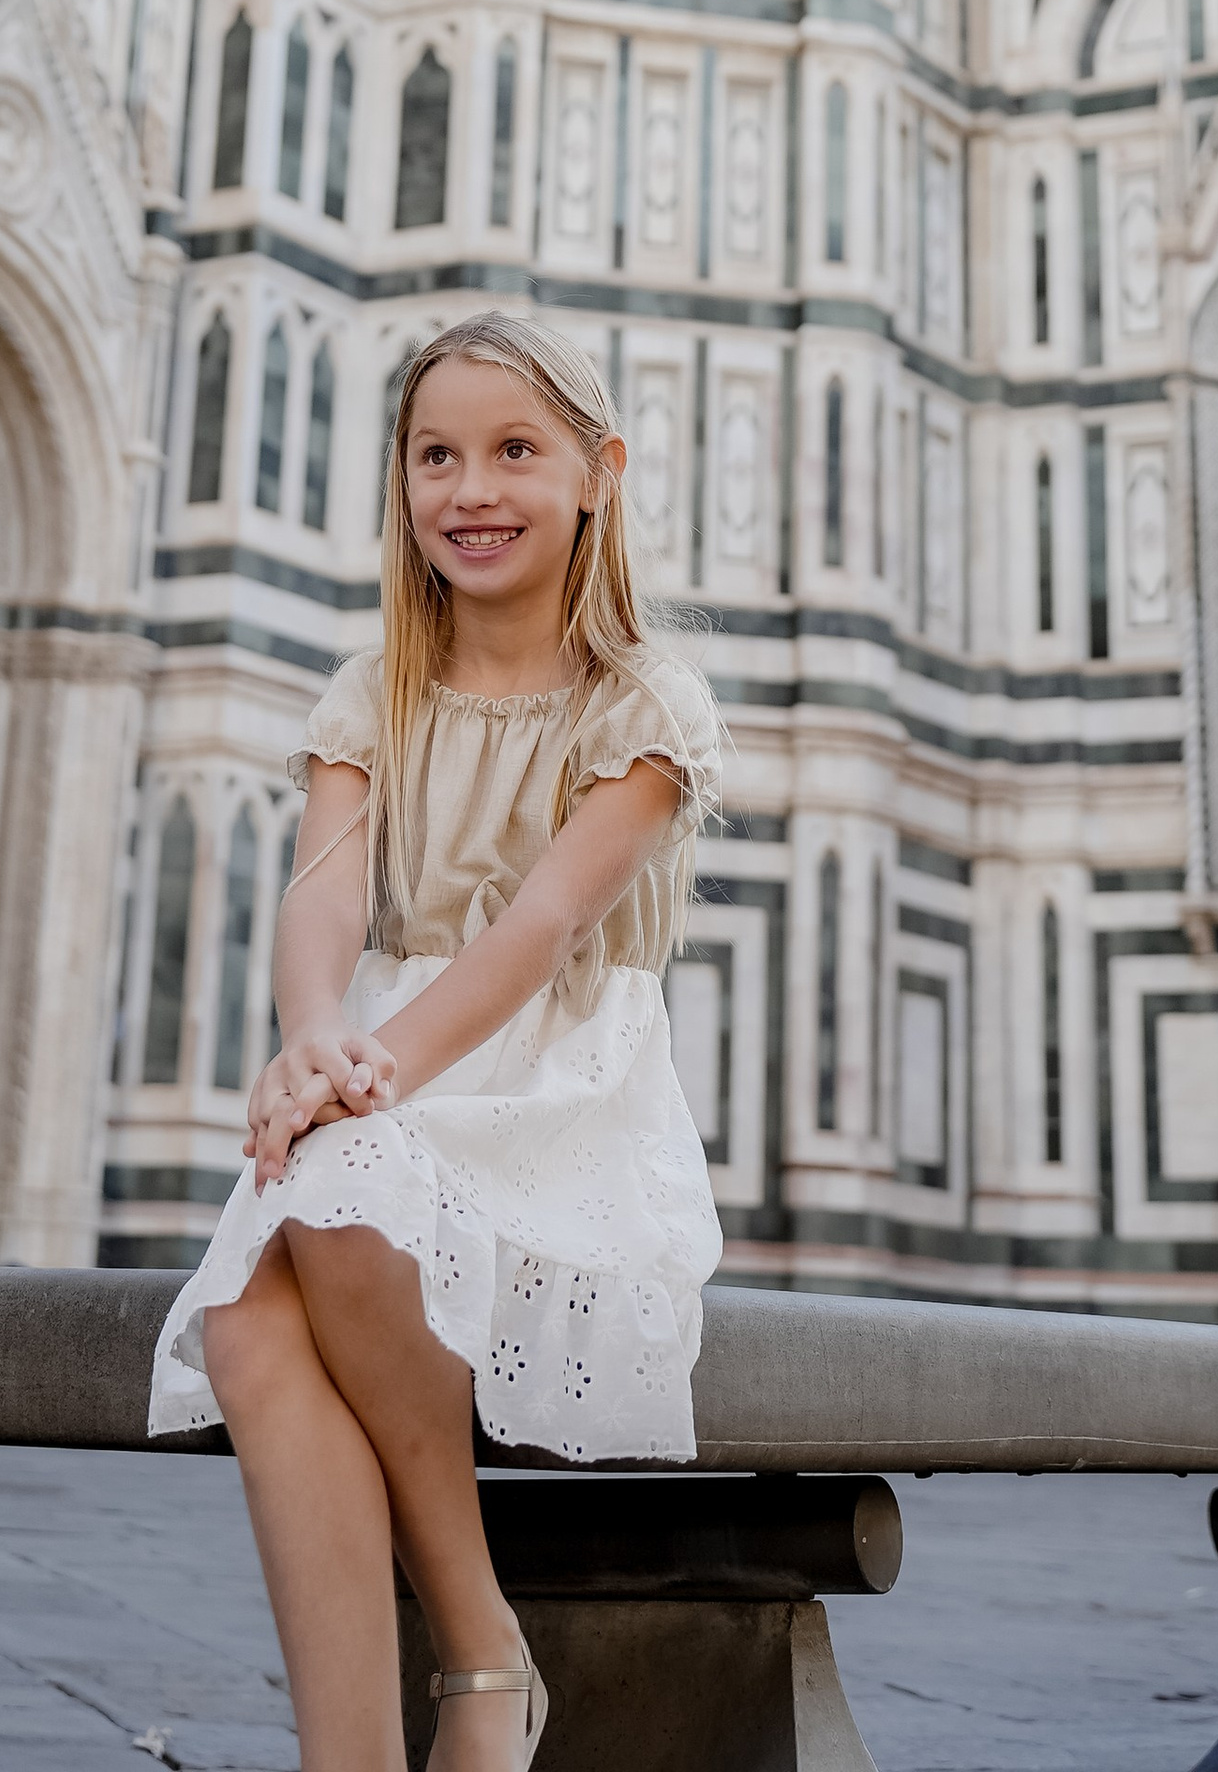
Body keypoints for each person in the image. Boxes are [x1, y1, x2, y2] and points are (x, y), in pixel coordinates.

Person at [149, 311, 724, 1772]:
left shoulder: (644, 704)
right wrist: (311, 1039)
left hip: (557, 1085)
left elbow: (535, 933)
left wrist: (366, 1078)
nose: (471, 489)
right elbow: (324, 892)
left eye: (514, 452)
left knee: (326, 1208)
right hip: (390, 1064)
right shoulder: (376, 689)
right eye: (436, 456)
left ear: (598, 473)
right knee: (250, 1325)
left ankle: (478, 1646)